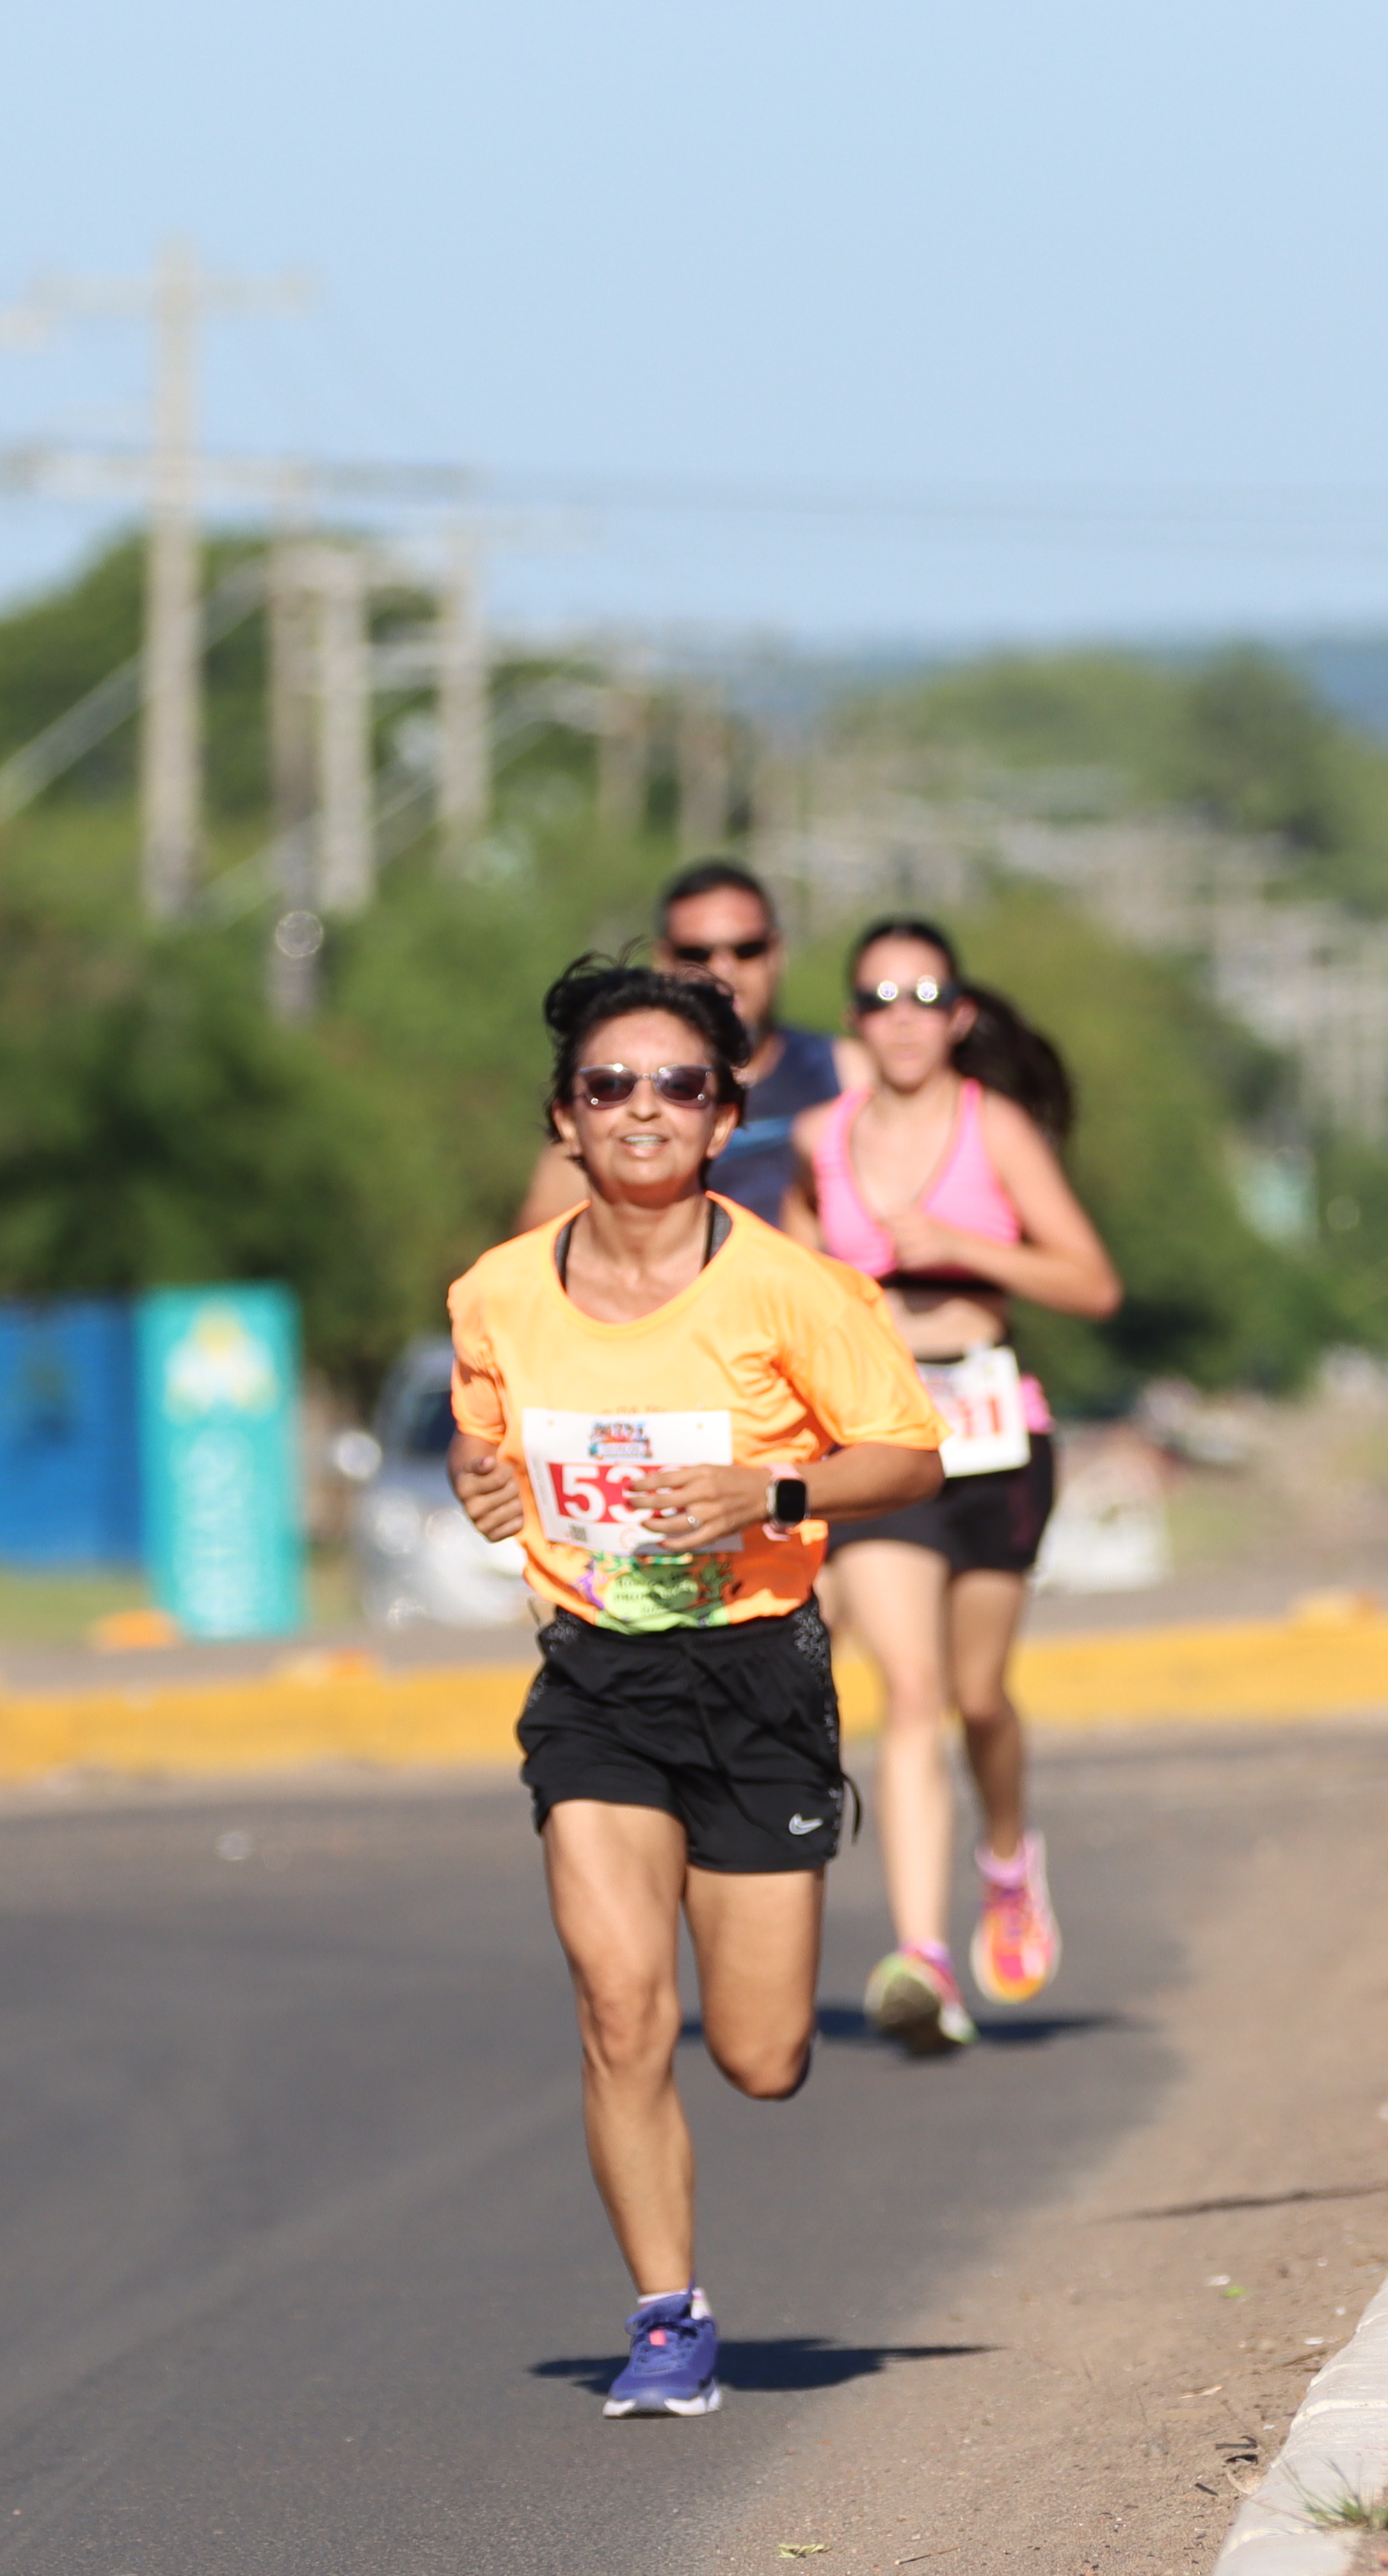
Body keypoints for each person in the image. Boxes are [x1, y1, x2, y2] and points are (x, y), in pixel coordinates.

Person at [448, 956, 941, 2416]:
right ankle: (668, 2320)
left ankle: (750, 2071)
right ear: (565, 1120)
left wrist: (765, 1489)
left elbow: (907, 1458)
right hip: (595, 1678)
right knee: (618, 2007)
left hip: (758, 1679)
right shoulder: (496, 1296)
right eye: (610, 1086)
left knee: (764, 2055)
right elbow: (485, 1447)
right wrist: (478, 1480)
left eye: (678, 1085)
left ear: (726, 1118)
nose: (643, 1109)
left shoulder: (794, 1290)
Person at [781, 915, 1123, 2056]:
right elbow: (783, 1301)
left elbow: (1090, 1284)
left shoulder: (998, 1130)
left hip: (993, 1432)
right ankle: (921, 1956)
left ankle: (1009, 1856)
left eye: (925, 995)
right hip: (885, 1438)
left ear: (959, 1015)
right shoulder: (819, 1141)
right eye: (879, 998)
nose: (903, 1017)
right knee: (911, 1688)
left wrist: (968, 1248)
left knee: (981, 1697)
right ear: (855, 1022)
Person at [517, 859, 843, 1232]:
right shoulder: (608, 1093)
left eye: (746, 949)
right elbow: (542, 1243)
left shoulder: (846, 1070)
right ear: (663, 959)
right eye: (697, 954)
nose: (724, 971)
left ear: (776, 952)